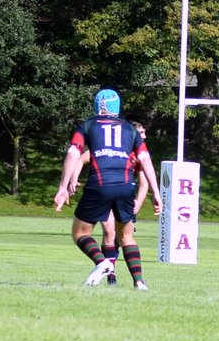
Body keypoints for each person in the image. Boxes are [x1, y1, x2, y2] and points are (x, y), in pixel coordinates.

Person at [53, 89, 163, 288]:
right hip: (125, 187)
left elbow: (73, 154)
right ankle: (139, 282)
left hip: (100, 184)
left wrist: (63, 187)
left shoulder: (88, 125)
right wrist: (156, 192)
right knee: (126, 236)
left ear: (97, 106)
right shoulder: (130, 129)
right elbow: (145, 159)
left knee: (80, 233)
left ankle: (102, 263)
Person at [91, 121, 157, 288]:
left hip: (125, 197)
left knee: (123, 238)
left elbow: (144, 183)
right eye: (141, 133)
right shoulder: (113, 148)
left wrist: (138, 203)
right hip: (105, 194)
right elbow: (84, 157)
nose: (144, 136)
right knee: (109, 231)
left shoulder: (141, 154)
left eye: (144, 132)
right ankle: (111, 275)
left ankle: (137, 280)